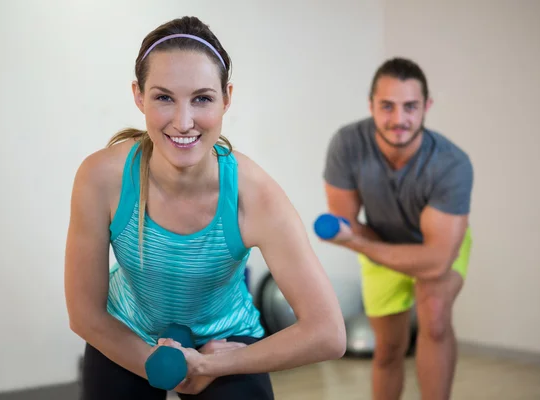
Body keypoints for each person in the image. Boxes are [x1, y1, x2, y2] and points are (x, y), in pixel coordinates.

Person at [64, 16, 346, 400]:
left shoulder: (255, 195)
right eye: (164, 97)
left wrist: (209, 365)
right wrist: (161, 363)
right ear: (138, 95)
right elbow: (85, 314)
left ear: (226, 98)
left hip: (222, 339)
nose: (183, 122)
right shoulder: (101, 177)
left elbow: (328, 333)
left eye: (202, 98)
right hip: (126, 329)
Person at [321, 57, 473, 400]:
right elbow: (346, 225)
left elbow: (435, 261)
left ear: (426, 107)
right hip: (379, 238)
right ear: (371, 104)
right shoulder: (347, 145)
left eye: (410, 107)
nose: (399, 119)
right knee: (388, 347)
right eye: (387, 106)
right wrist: (360, 240)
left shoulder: (451, 163)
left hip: (440, 244)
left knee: (434, 318)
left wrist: (361, 243)